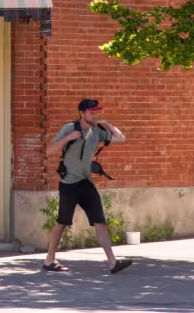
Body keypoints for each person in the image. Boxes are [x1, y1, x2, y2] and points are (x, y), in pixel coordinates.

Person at [43, 99, 131, 274]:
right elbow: (49, 150)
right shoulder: (70, 128)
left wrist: (108, 124)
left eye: (95, 112)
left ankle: (113, 263)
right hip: (69, 183)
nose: (94, 115)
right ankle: (49, 260)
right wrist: (68, 138)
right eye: (91, 112)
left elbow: (121, 139)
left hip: (86, 183)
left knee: (100, 222)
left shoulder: (97, 132)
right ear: (81, 113)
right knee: (62, 223)